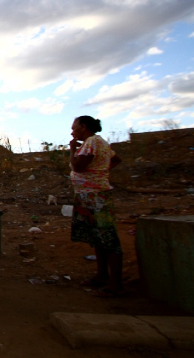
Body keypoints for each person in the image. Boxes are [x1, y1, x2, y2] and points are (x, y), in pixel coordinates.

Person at [69, 115, 124, 297]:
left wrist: (71, 151)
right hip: (90, 195)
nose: (72, 131)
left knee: (107, 238)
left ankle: (115, 285)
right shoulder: (99, 143)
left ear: (83, 127)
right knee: (99, 239)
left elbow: (78, 167)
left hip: (96, 197)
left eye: (74, 127)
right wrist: (100, 171)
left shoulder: (92, 141)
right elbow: (116, 160)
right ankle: (102, 276)